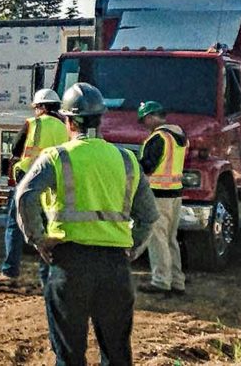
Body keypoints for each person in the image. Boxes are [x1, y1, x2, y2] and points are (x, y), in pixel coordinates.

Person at [16, 82, 157, 366]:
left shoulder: (56, 157)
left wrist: (39, 239)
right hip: (115, 266)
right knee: (117, 354)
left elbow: (26, 197)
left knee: (69, 355)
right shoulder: (127, 160)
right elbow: (148, 215)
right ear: (101, 119)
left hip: (70, 263)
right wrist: (131, 249)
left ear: (69, 121)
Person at [0, 88, 70, 288]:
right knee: (49, 228)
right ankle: (48, 277)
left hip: (29, 181)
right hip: (55, 184)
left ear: (41, 107)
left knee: (15, 224)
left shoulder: (33, 124)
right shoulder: (66, 127)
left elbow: (16, 148)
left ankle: (10, 271)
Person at [135, 101, 187, 296]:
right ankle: (177, 281)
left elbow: (148, 167)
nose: (144, 124)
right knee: (171, 239)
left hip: (159, 195)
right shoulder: (178, 136)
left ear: (151, 117)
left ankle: (161, 281)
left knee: (157, 239)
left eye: (144, 120)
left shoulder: (159, 138)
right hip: (175, 194)